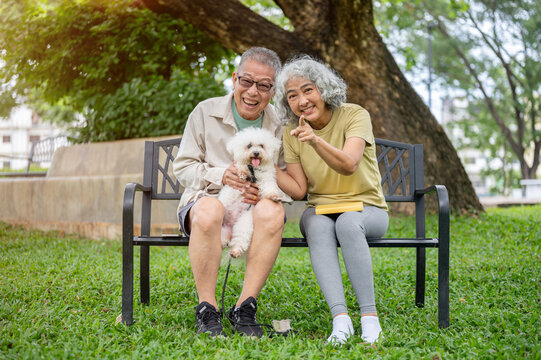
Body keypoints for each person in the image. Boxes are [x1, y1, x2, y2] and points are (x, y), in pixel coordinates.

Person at [274, 56, 389, 345]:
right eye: (292, 95)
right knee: (318, 225)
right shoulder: (291, 132)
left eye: (308, 89)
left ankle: (369, 319)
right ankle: (341, 321)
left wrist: (314, 140)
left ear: (323, 89)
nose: (302, 100)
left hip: (368, 209)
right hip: (321, 210)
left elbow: (349, 163)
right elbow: (299, 191)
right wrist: (266, 167)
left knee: (349, 223)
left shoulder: (355, 115)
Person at [173, 47, 286, 338]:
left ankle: (245, 308)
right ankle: (207, 308)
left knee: (274, 211)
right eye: (246, 81)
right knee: (211, 209)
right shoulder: (205, 111)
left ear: (272, 91)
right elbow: (183, 167)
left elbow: (281, 173)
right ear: (235, 79)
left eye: (263, 85)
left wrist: (261, 193)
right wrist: (219, 174)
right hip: (205, 199)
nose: (253, 91)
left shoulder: (279, 124)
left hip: (252, 206)